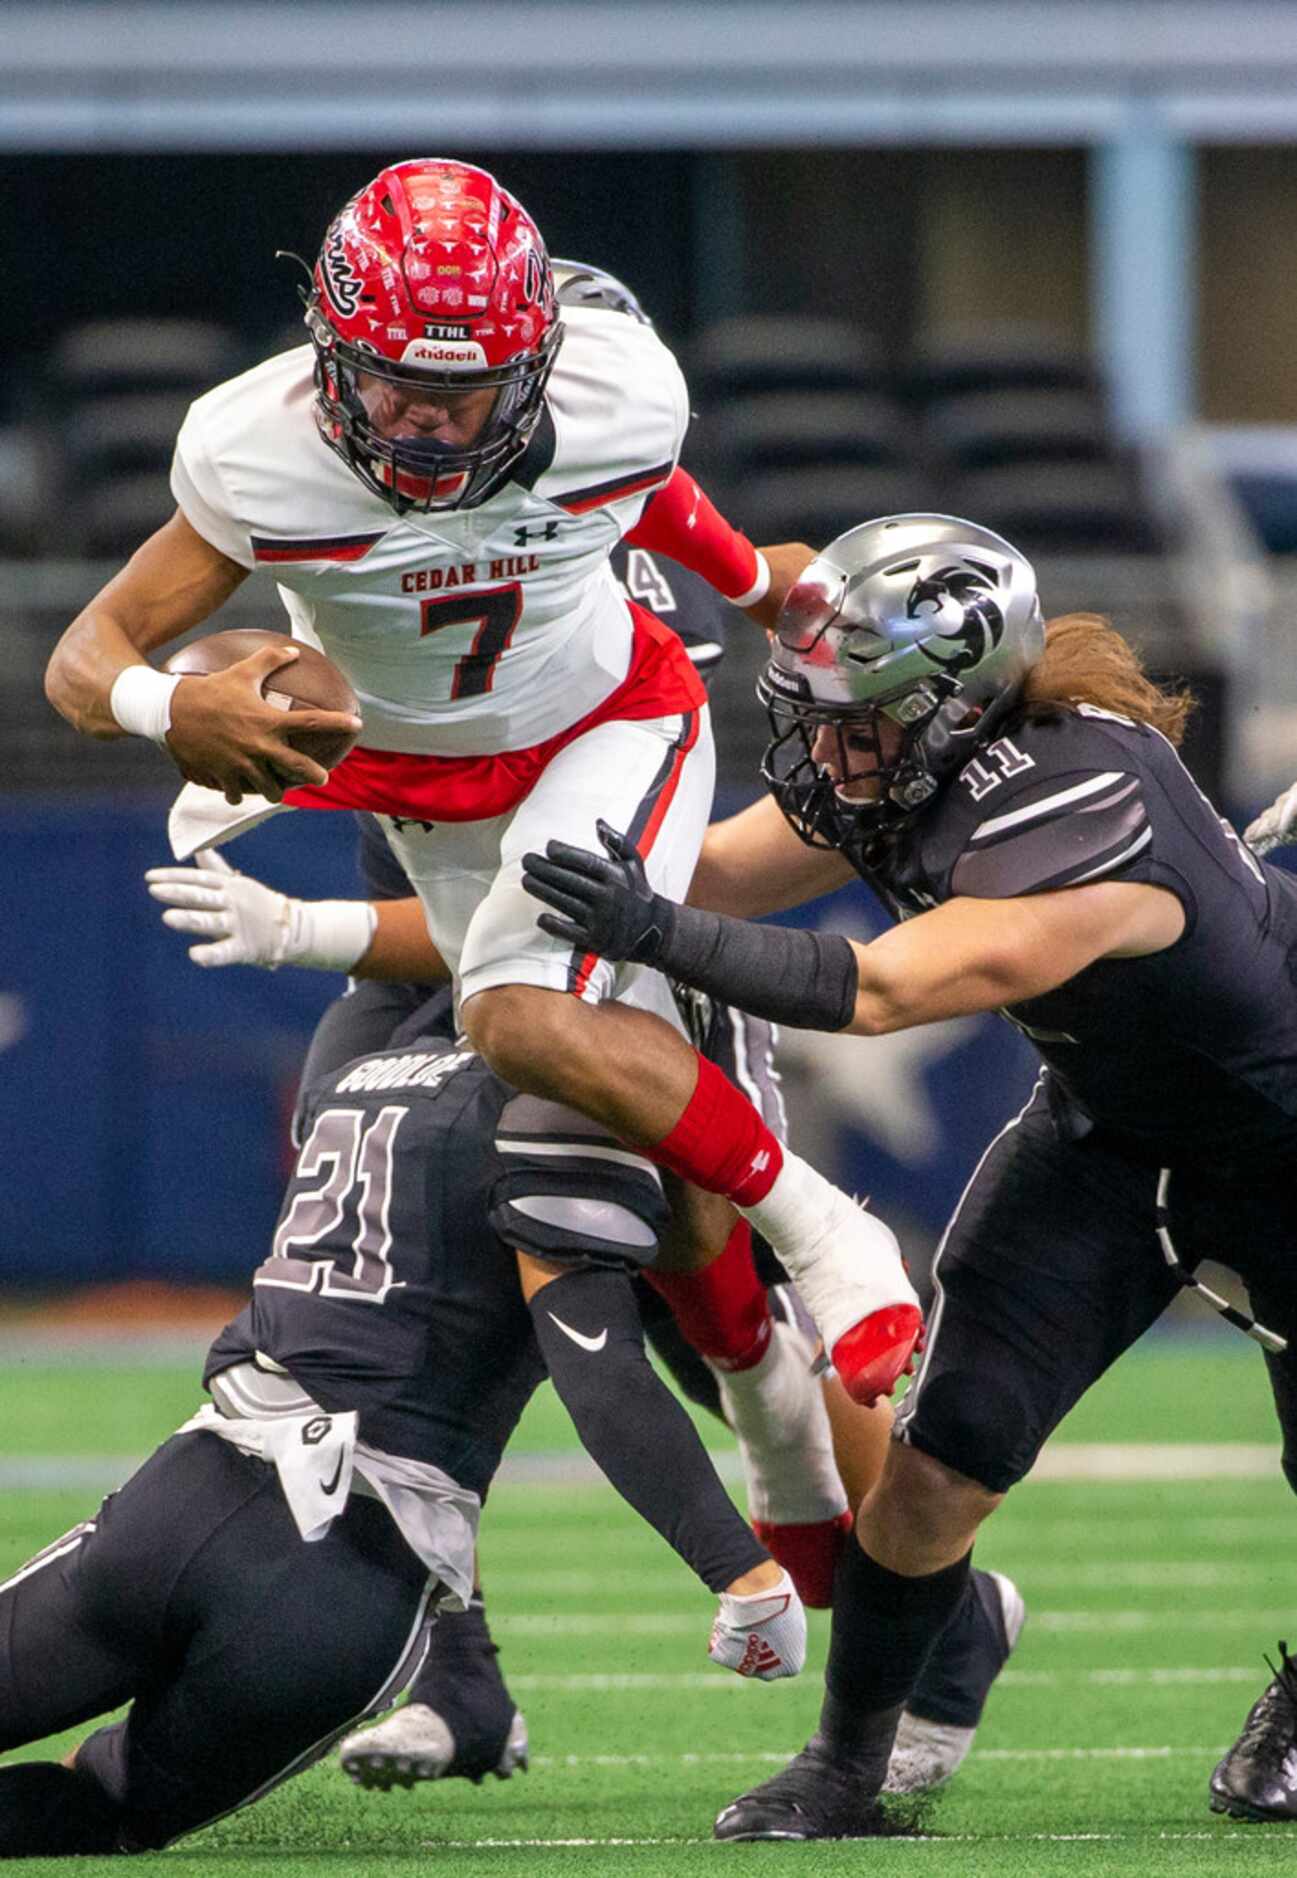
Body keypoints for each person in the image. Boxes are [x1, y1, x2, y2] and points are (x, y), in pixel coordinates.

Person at [44, 155, 920, 1418]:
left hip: (613, 720)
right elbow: (86, 657)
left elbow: (643, 496)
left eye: (465, 398)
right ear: (329, 360)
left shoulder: (619, 400)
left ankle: (828, 1236)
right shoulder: (257, 452)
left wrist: (756, 588)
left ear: (540, 364)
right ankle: (775, 1433)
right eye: (394, 391)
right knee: (578, 1072)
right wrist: (168, 702)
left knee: (514, 1015)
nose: (427, 429)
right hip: (418, 781)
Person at [521, 510, 1297, 1837]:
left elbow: (877, 990)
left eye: (856, 721)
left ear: (958, 707)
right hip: (1107, 1139)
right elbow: (708, 867)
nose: (826, 751)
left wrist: (654, 929)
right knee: (937, 1469)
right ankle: (846, 1765)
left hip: (1281, 1149)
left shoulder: (1083, 802)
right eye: (813, 714)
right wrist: (518, 828)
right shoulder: (902, 757)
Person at [0, 990, 814, 1857]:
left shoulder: (367, 1060)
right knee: (105, 1800)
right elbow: (601, 1374)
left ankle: (467, 1695)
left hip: (184, 1500)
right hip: (345, 1583)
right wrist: (741, 1570)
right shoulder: (555, 1107)